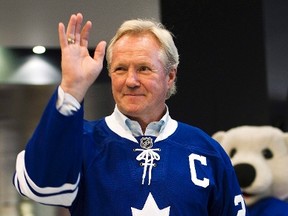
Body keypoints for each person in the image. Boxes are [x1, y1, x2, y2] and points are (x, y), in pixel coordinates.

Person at [13, 13, 247, 216]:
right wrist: (71, 90)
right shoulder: (81, 139)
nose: (131, 81)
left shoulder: (206, 149)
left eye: (143, 68)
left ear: (170, 76)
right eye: (120, 69)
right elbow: (39, 185)